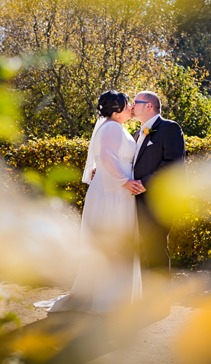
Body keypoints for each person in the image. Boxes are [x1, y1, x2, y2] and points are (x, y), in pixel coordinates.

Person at [35, 90, 143, 314]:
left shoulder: (115, 127)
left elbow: (106, 158)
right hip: (113, 192)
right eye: (126, 103)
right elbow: (106, 157)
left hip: (113, 189)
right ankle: (108, 298)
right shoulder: (112, 127)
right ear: (116, 109)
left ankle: (111, 294)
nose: (130, 106)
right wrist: (124, 182)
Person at [131, 91, 185, 300]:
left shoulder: (170, 128)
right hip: (136, 201)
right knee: (144, 249)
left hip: (157, 201)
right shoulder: (137, 133)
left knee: (156, 248)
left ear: (149, 106)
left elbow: (173, 164)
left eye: (136, 102)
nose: (132, 106)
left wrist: (144, 184)